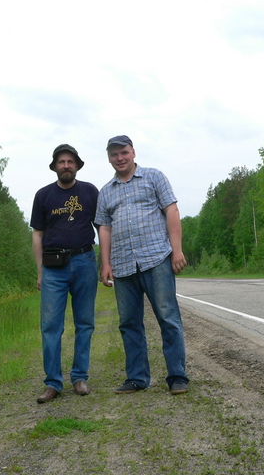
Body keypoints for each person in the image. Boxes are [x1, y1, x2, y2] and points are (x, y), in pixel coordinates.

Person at [95, 135, 190, 395]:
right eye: (114, 154)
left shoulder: (154, 177)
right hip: (123, 265)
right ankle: (137, 378)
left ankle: (177, 376)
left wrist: (176, 249)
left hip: (156, 258)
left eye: (124, 152)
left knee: (168, 317)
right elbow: (104, 228)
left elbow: (171, 211)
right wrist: (106, 263)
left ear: (133, 152)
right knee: (129, 323)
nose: (120, 158)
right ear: (109, 158)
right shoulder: (105, 192)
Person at [30, 144, 99, 404]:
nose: (66, 165)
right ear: (55, 166)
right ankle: (53, 383)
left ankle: (79, 377)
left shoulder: (90, 192)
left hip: (84, 261)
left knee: (85, 323)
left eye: (70, 161)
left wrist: (106, 263)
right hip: (53, 268)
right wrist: (40, 271)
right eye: (61, 161)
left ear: (77, 165)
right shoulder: (43, 196)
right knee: (50, 327)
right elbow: (37, 235)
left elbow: (102, 226)